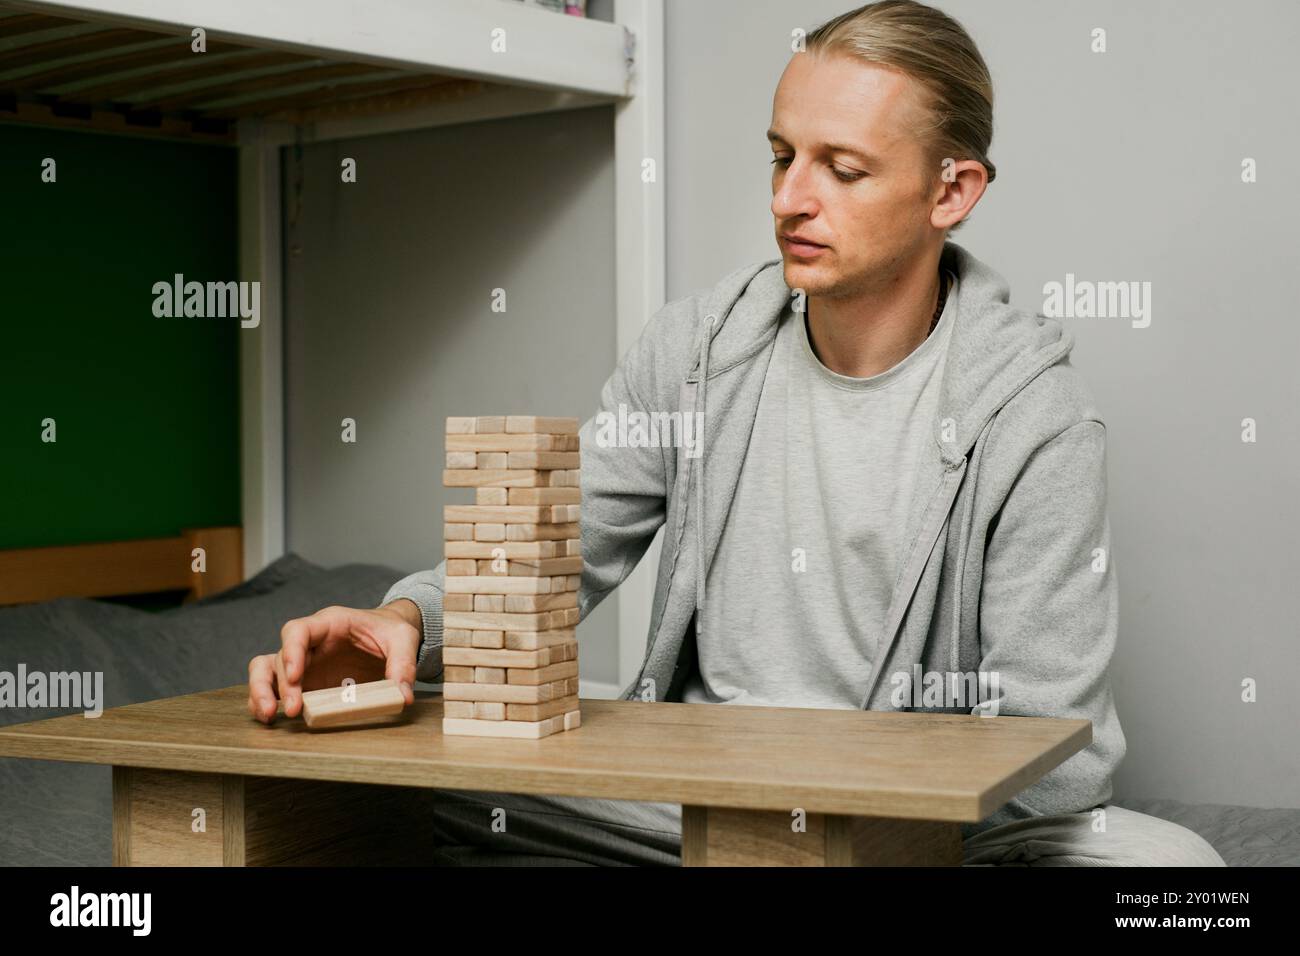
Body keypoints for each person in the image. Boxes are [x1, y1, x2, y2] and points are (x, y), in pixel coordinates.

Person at [247, 0, 1225, 867]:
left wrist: (853, 822)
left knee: (1172, 875)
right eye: (781, 154)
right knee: (394, 772)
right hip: (692, 805)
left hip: (924, 829)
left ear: (950, 192)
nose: (790, 197)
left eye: (842, 168)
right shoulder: (693, 349)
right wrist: (408, 622)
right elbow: (551, 559)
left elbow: (1054, 763)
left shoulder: (1035, 414)